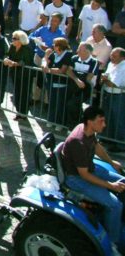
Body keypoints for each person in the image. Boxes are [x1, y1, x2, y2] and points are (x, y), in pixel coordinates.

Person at [61, 105, 125, 255]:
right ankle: (112, 242)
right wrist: (111, 186)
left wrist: (111, 162)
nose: (105, 124)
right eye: (101, 121)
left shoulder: (88, 131)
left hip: (90, 167)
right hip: (76, 179)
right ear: (90, 122)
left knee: (123, 181)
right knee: (115, 205)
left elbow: (97, 147)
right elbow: (84, 175)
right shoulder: (78, 141)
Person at [41, 38, 73, 126]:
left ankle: (59, 123)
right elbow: (46, 61)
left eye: (54, 44)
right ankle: (51, 120)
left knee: (60, 105)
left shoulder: (68, 55)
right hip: (51, 82)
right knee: (52, 103)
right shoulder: (54, 54)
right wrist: (44, 64)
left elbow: (62, 70)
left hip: (62, 84)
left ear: (59, 46)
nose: (53, 46)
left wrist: (49, 70)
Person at [67, 42, 100, 128]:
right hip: (74, 85)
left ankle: (74, 126)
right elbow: (69, 71)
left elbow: (89, 77)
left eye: (80, 50)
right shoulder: (74, 58)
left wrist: (78, 77)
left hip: (86, 88)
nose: (77, 51)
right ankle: (77, 124)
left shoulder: (94, 61)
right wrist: (76, 79)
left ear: (87, 52)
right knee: (71, 105)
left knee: (73, 104)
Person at [4, 30, 34, 119]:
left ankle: (24, 113)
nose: (12, 40)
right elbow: (8, 55)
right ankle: (18, 112)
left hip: (25, 74)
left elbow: (25, 61)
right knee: (17, 92)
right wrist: (6, 60)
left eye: (15, 38)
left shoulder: (26, 48)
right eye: (12, 38)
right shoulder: (12, 47)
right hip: (15, 73)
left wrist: (14, 63)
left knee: (24, 93)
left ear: (20, 40)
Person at [101, 48, 125, 143]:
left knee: (118, 119)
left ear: (122, 57)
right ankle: (107, 139)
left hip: (118, 96)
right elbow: (106, 77)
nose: (111, 58)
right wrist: (104, 80)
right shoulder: (111, 64)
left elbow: (115, 84)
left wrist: (105, 80)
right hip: (107, 93)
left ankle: (120, 144)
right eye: (111, 55)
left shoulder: (123, 67)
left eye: (114, 56)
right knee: (107, 117)